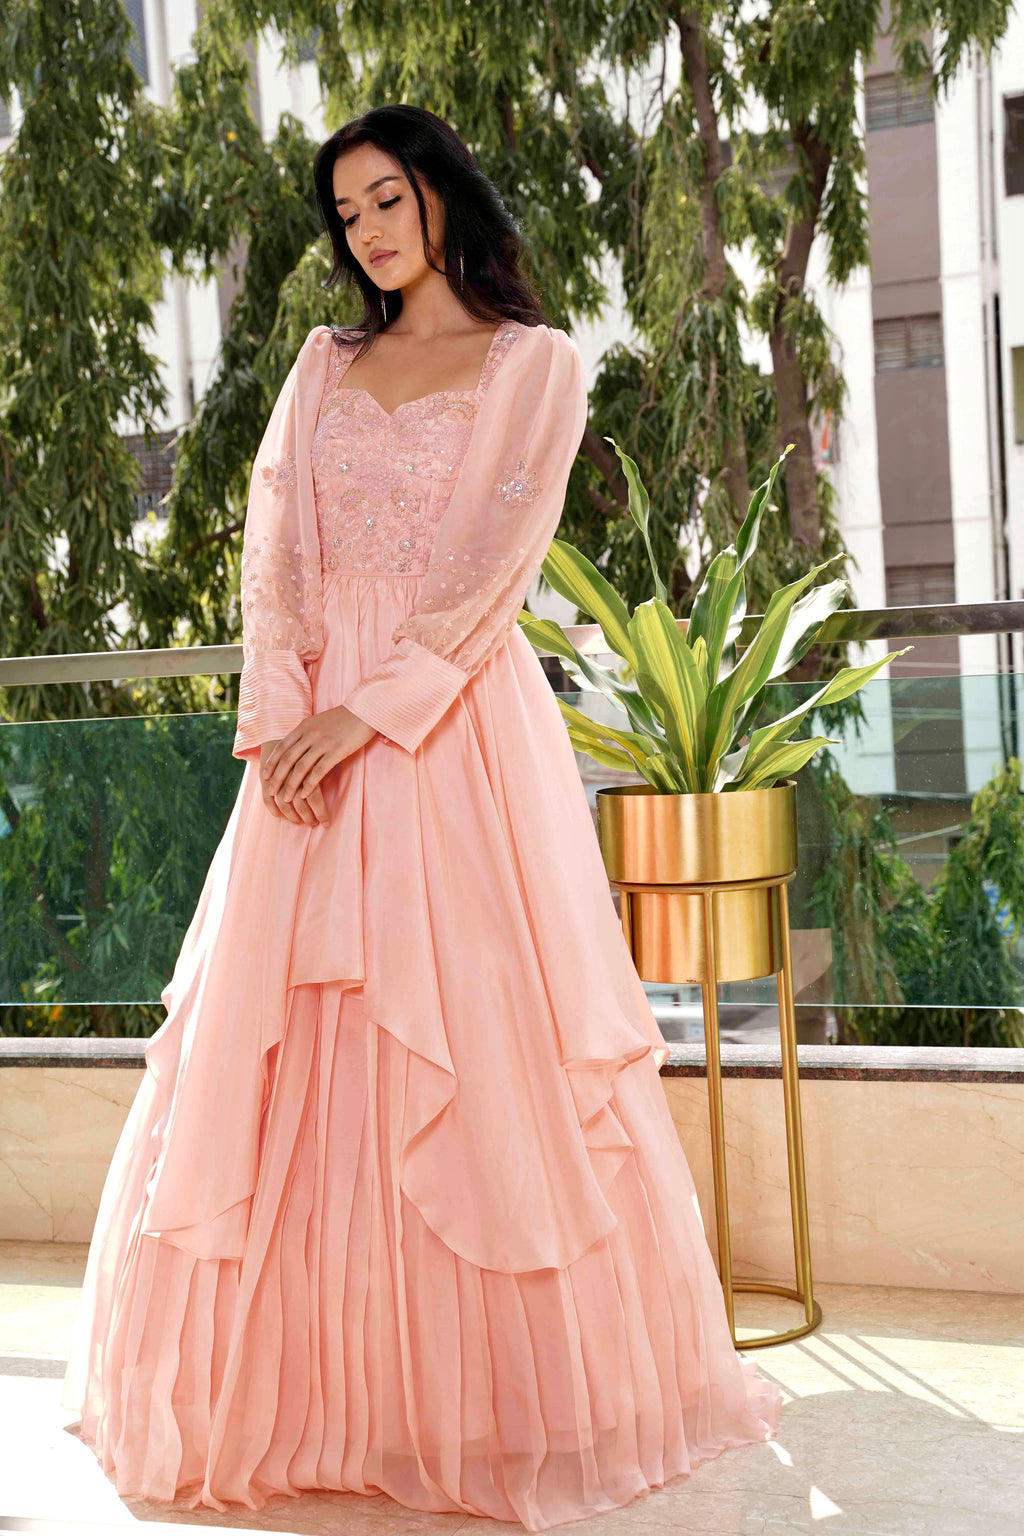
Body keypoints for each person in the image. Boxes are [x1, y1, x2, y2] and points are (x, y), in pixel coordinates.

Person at [61, 103, 781, 1531]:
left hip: (449, 732)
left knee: (472, 1035)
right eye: (348, 214)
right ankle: (319, 1404)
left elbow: (491, 569)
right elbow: (274, 547)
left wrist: (365, 715)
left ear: (443, 194)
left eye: (387, 198)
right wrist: (283, 722)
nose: (370, 231)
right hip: (305, 747)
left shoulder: (536, 365)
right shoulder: (322, 367)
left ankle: (491, 1412)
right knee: (286, 1047)